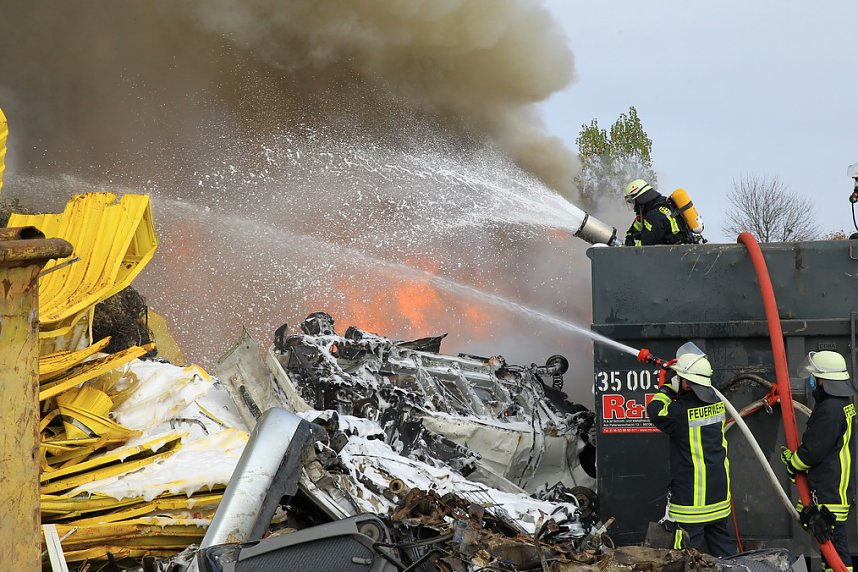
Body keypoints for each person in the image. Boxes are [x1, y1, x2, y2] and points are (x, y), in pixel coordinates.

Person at [646, 344, 736, 557]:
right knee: (725, 554)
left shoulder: (679, 413)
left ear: (686, 383)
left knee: (686, 557)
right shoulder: (718, 403)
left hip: (692, 503)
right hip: (719, 497)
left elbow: (655, 410)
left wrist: (667, 388)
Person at [781, 350, 856, 571]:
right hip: (834, 487)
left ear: (824, 378)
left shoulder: (830, 410)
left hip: (828, 494)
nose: (814, 381)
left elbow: (814, 450)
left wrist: (793, 465)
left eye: (816, 376)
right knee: (830, 552)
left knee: (836, 554)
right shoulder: (842, 403)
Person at [623, 179, 691, 246]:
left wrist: (629, 248)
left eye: (633, 202)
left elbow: (645, 245)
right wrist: (630, 236)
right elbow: (637, 226)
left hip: (676, 251)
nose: (634, 208)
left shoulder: (655, 215)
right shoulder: (655, 205)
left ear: (640, 199)